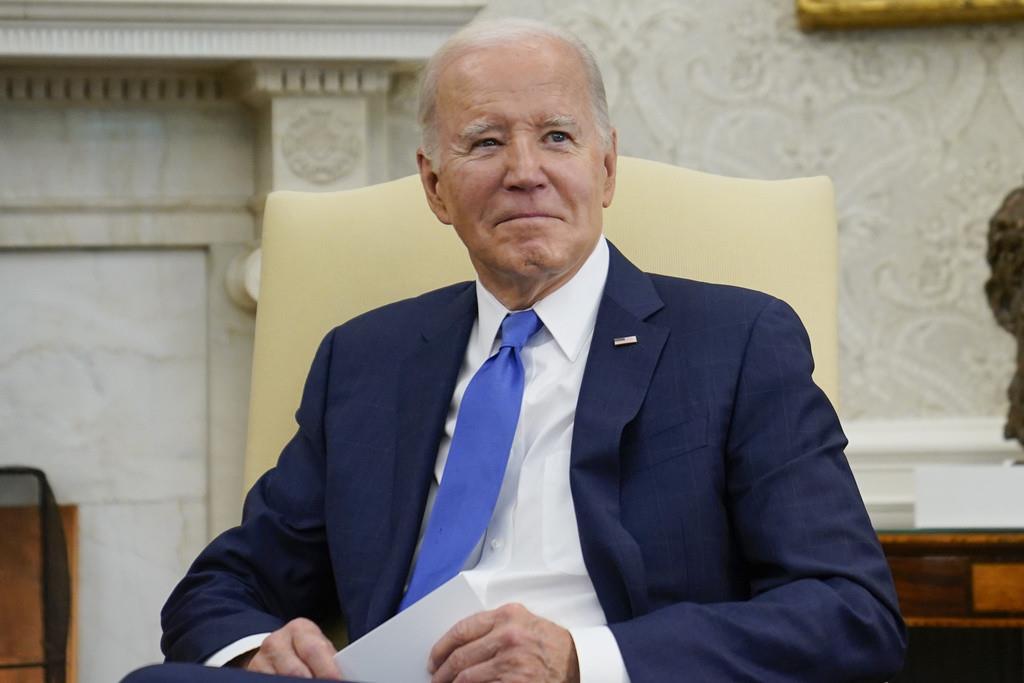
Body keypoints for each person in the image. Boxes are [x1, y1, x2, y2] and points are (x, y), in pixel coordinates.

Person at [147, 18, 906, 683]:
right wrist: (255, 651)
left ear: (606, 167)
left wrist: (584, 660)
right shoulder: (366, 360)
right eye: (484, 142)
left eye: (556, 136)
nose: (524, 172)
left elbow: (849, 613)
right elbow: (220, 587)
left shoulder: (737, 344)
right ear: (435, 186)